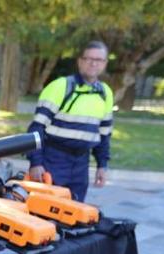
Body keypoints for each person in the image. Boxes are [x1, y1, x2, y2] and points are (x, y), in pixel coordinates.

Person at [27, 40, 114, 201]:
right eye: (89, 59)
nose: (94, 63)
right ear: (80, 61)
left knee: (73, 216)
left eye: (99, 60)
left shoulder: (105, 93)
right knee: (45, 213)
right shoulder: (60, 86)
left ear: (105, 63)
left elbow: (104, 135)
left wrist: (102, 166)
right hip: (53, 160)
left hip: (81, 164)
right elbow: (36, 128)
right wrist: (35, 162)